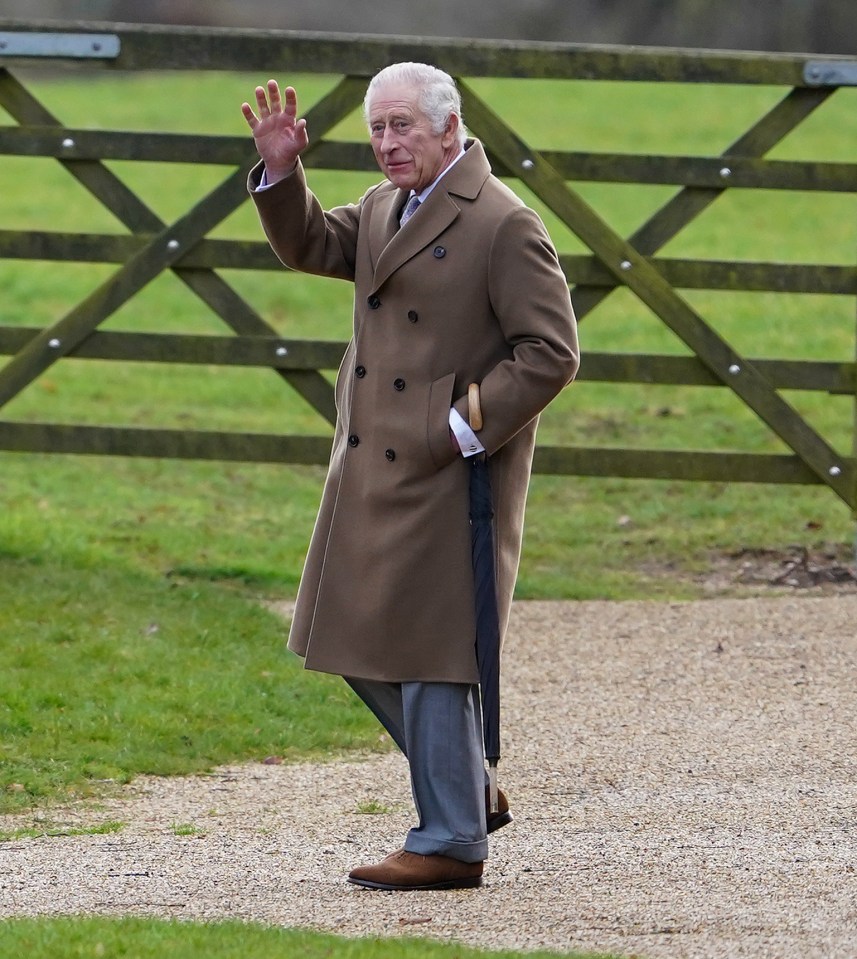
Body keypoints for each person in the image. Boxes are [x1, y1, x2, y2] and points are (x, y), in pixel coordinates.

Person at [241, 62, 579, 891]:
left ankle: (452, 839)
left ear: (449, 126)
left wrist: (461, 424)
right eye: (377, 129)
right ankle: (465, 787)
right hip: (370, 460)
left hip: (446, 471)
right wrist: (283, 173)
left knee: (432, 652)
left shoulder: (502, 222)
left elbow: (552, 352)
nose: (387, 144)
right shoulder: (389, 202)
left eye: (402, 127)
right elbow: (315, 243)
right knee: (343, 628)